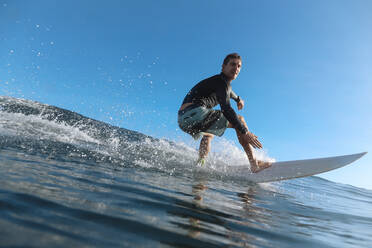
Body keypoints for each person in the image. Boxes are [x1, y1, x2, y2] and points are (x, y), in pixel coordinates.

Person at [178, 53, 272, 173]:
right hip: (196, 112)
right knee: (240, 120)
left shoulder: (219, 84)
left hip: (183, 119)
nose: (236, 68)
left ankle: (200, 163)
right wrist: (245, 131)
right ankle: (254, 163)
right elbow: (226, 109)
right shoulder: (222, 83)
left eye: (239, 66)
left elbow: (230, 93)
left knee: (208, 134)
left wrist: (238, 99)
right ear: (223, 66)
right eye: (232, 64)